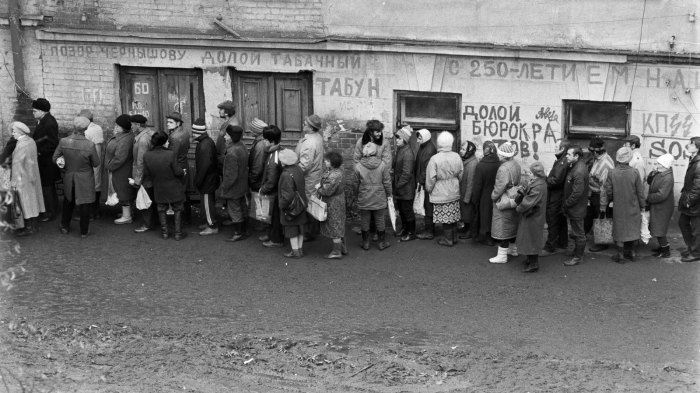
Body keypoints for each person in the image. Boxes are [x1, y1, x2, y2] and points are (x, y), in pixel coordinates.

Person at [53, 116, 100, 237]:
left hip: (69, 175)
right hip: (85, 177)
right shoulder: (89, 145)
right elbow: (96, 163)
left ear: (74, 127)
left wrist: (64, 168)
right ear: (85, 129)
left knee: (68, 201)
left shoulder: (64, 141)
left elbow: (55, 158)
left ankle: (65, 226)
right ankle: (84, 231)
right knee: (85, 203)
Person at [601, 147, 645, 263]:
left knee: (619, 230)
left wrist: (611, 200)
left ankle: (620, 256)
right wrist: (643, 205)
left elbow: (608, 190)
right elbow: (640, 191)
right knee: (633, 229)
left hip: (619, 206)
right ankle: (632, 253)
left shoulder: (612, 172)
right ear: (629, 158)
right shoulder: (634, 172)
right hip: (633, 205)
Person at [143, 132, 186, 240]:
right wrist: (183, 172)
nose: (168, 143)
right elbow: (177, 171)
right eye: (167, 141)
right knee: (178, 208)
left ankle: (165, 233)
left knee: (161, 209)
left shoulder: (147, 155)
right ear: (163, 142)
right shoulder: (170, 154)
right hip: (173, 186)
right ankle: (178, 233)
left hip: (158, 186)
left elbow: (147, 173)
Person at [425, 132, 463, 247]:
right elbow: (461, 173)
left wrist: (429, 189)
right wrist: (455, 183)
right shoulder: (457, 156)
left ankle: (448, 239)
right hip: (454, 190)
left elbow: (431, 178)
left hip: (440, 191)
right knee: (453, 215)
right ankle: (454, 237)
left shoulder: (434, 159)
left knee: (445, 217)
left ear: (439, 143)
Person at [353, 143, 392, 251]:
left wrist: (356, 194)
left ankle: (365, 243)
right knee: (380, 218)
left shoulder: (358, 166)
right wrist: (389, 194)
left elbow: (355, 183)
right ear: (375, 152)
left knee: (365, 219)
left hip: (364, 195)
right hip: (379, 195)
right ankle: (381, 243)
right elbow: (387, 182)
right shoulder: (382, 165)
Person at [9, 122, 45, 236]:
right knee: (33, 200)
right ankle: (33, 225)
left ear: (20, 132)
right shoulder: (31, 141)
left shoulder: (21, 145)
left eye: (14, 131)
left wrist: (14, 181)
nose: (12, 134)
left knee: (25, 202)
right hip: (32, 175)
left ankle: (29, 227)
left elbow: (17, 164)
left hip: (23, 177)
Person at [489, 142, 522, 263]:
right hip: (514, 196)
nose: (498, 155)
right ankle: (513, 249)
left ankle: (502, 255)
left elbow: (500, 186)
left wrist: (493, 196)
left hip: (504, 198)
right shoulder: (516, 164)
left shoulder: (503, 168)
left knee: (502, 226)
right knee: (512, 223)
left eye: (499, 154)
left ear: (503, 155)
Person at [295, 114, 324, 241]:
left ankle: (310, 233)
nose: (303, 125)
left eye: (305, 124)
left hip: (309, 177)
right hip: (315, 175)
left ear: (311, 128)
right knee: (313, 201)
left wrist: (293, 173)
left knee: (309, 203)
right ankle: (314, 230)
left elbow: (305, 165)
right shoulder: (317, 137)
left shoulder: (309, 143)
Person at [515, 162, 548, 273]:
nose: (528, 174)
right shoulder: (538, 183)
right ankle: (530, 259)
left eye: (530, 172)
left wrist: (518, 208)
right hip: (533, 215)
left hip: (533, 216)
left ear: (535, 173)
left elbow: (528, 202)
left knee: (531, 239)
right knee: (528, 237)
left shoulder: (538, 186)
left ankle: (534, 264)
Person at [540, 139, 571, 256]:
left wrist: (545, 178)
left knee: (552, 220)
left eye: (556, 146)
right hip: (560, 196)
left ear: (562, 149)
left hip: (556, 197)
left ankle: (550, 247)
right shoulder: (562, 160)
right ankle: (562, 243)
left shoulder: (562, 162)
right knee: (561, 220)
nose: (554, 148)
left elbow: (556, 181)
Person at [104, 114, 135, 224]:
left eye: (117, 125)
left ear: (122, 127)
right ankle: (128, 213)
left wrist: (109, 166)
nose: (115, 127)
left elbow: (119, 158)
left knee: (123, 192)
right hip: (123, 168)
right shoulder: (126, 136)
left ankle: (127, 216)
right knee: (124, 190)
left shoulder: (124, 140)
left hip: (121, 170)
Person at [31, 98, 59, 222]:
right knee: (48, 186)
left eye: (35, 111)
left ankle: (50, 212)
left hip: (46, 161)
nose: (33, 113)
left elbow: (53, 143)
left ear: (42, 111)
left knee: (47, 186)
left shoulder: (49, 123)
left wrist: (39, 152)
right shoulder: (43, 120)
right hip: (44, 160)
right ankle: (53, 209)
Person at [220, 125, 249, 242]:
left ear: (232, 137)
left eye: (227, 135)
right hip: (242, 184)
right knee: (242, 207)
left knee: (234, 209)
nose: (225, 137)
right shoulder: (242, 146)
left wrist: (224, 187)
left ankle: (238, 233)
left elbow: (230, 175)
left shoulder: (232, 152)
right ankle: (245, 230)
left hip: (234, 187)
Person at [585, 137, 614, 252]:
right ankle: (583, 233)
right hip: (594, 192)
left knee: (601, 216)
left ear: (596, 152)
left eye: (592, 152)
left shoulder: (605, 163)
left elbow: (605, 187)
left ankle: (603, 243)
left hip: (601, 194)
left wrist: (603, 203)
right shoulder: (598, 158)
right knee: (590, 213)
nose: (591, 154)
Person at [562, 145, 590, 266]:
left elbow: (577, 192)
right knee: (577, 231)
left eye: (569, 154)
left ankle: (578, 257)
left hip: (576, 208)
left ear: (576, 156)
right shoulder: (576, 166)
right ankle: (576, 252)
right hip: (575, 207)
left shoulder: (579, 171)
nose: (566, 156)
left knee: (579, 233)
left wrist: (567, 204)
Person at [192, 118, 220, 236]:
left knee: (207, 203)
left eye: (194, 131)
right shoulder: (206, 142)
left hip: (207, 180)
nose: (192, 134)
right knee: (208, 202)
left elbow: (204, 165)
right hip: (210, 178)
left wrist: (198, 180)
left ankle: (212, 225)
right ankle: (209, 221)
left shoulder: (204, 145)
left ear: (198, 132)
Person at [316, 151, 347, 259]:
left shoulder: (334, 175)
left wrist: (318, 188)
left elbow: (327, 191)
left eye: (327, 161)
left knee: (334, 226)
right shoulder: (339, 171)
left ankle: (336, 252)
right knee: (339, 224)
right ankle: (343, 248)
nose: (325, 161)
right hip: (339, 200)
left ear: (332, 163)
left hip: (333, 202)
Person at [278, 149, 308, 258]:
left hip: (291, 207)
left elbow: (287, 196)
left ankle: (295, 252)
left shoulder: (286, 174)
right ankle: (300, 250)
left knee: (292, 230)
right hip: (301, 203)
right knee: (300, 229)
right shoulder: (298, 169)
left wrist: (281, 205)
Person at [258, 125, 284, 248]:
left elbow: (272, 180)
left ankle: (276, 239)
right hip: (275, 191)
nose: (263, 141)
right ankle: (272, 235)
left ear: (271, 141)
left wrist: (263, 190)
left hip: (275, 192)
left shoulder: (274, 156)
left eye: (265, 139)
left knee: (275, 216)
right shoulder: (273, 152)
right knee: (272, 216)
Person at [131, 114, 156, 233]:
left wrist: (137, 179)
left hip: (144, 174)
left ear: (138, 125)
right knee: (150, 197)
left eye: (132, 125)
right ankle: (151, 222)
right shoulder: (148, 134)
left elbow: (141, 160)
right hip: (149, 172)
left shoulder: (143, 139)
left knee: (145, 198)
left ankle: (147, 224)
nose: (131, 127)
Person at [646, 153, 675, 258]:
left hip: (663, 208)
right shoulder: (660, 172)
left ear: (664, 165)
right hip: (659, 207)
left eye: (659, 163)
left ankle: (665, 251)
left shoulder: (667, 178)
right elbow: (649, 182)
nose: (656, 165)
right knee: (658, 228)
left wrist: (648, 197)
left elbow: (662, 195)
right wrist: (652, 173)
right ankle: (663, 247)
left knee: (659, 230)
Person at [166, 112, 192, 223]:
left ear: (177, 123)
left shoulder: (174, 137)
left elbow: (172, 155)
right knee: (183, 191)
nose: (167, 124)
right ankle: (187, 217)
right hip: (184, 164)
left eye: (170, 122)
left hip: (177, 166)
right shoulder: (185, 132)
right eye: (167, 122)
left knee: (177, 193)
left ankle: (180, 220)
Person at [472, 141, 499, 246]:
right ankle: (495, 236)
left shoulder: (481, 166)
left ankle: (487, 237)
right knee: (494, 215)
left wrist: (475, 199)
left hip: (484, 195)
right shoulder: (499, 163)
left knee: (485, 216)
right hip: (497, 193)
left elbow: (477, 185)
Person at [678, 137, 700, 263]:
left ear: (698, 147)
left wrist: (689, 201)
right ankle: (692, 247)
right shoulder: (694, 159)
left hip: (695, 203)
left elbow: (698, 187)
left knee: (697, 229)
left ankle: (696, 252)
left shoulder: (698, 164)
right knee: (682, 223)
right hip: (690, 200)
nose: (688, 146)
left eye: (691, 144)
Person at [392, 126, 416, 241]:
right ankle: (405, 229)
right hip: (400, 186)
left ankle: (411, 233)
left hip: (405, 188)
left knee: (407, 210)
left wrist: (397, 185)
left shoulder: (408, 153)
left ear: (405, 139)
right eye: (396, 137)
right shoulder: (401, 150)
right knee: (402, 209)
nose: (396, 140)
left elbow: (406, 174)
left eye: (399, 138)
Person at [80, 109, 104, 218]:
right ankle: (96, 211)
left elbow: (84, 148)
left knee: (90, 186)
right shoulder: (97, 128)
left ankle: (90, 213)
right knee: (97, 184)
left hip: (91, 160)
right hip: (98, 158)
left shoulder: (88, 132)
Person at [415, 129, 437, 239]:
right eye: (418, 138)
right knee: (426, 205)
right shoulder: (424, 147)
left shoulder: (429, 150)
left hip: (427, 183)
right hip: (424, 181)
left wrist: (420, 180)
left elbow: (426, 168)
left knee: (428, 206)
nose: (418, 141)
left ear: (425, 138)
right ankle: (428, 228)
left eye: (420, 138)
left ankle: (429, 231)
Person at [458, 140, 478, 239]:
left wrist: (467, 198)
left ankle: (469, 231)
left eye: (463, 149)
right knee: (465, 212)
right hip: (463, 191)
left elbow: (471, 183)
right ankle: (466, 228)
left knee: (468, 213)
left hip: (467, 194)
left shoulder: (472, 164)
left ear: (469, 151)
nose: (461, 151)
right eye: (461, 149)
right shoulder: (467, 161)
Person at [215, 100, 241, 165]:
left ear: (226, 112)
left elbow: (230, 142)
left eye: (221, 109)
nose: (219, 111)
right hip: (223, 157)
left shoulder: (233, 124)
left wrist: (223, 157)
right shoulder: (228, 120)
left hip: (226, 157)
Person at [248, 118, 270, 193]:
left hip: (259, 182)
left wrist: (252, 180)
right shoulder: (259, 141)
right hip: (260, 180)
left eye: (252, 129)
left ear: (256, 131)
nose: (250, 131)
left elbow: (258, 166)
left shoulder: (260, 145)